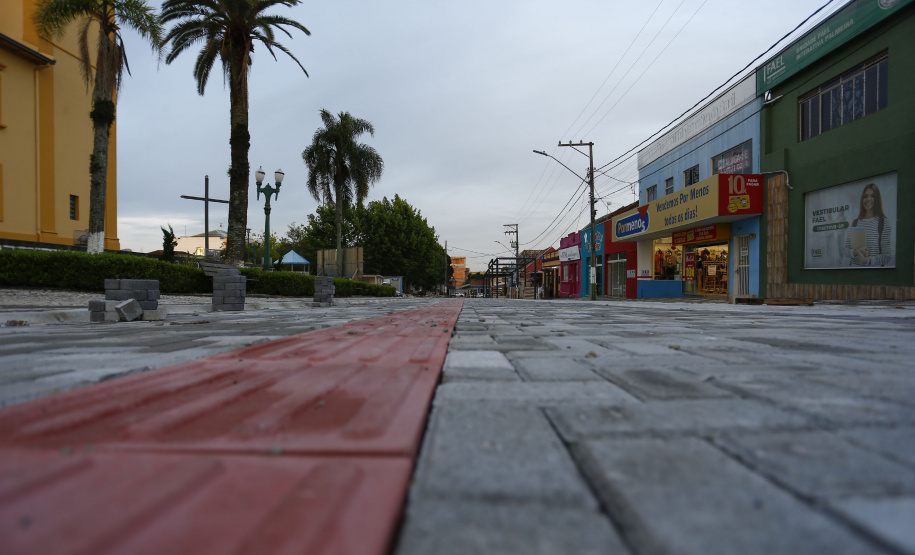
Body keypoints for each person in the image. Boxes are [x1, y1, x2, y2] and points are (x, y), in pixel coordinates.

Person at [844, 183, 893, 267]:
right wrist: (855, 252)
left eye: (872, 196)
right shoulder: (855, 222)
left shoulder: (883, 222)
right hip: (853, 273)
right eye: (865, 196)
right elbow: (845, 249)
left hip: (873, 276)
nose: (868, 199)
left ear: (877, 198)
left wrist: (866, 261)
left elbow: (887, 256)